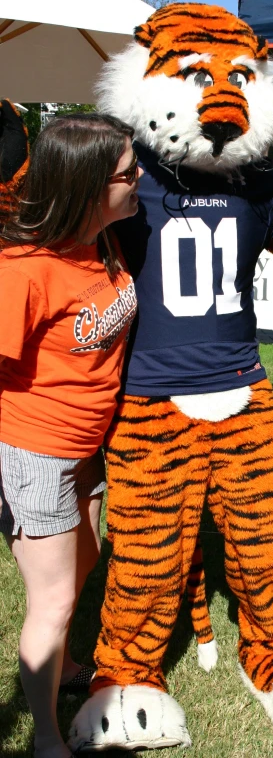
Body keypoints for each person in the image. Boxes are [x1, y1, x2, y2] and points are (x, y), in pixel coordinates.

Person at [0, 113, 140, 758]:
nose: (139, 179)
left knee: (82, 565)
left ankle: (61, 670)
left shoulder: (102, 242)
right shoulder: (24, 268)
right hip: (37, 451)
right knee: (53, 599)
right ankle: (45, 739)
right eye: (127, 173)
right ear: (87, 186)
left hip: (87, 446)